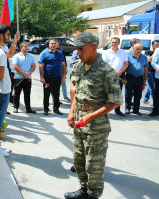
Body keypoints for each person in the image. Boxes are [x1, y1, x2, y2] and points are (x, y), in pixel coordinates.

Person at [66, 32, 122, 199]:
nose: (78, 52)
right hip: (78, 122)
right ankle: (84, 190)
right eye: (77, 49)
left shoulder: (106, 71)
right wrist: (71, 112)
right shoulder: (78, 67)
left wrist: (90, 117)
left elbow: (116, 101)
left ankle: (93, 195)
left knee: (94, 165)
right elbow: (74, 90)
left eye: (81, 49)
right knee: (79, 160)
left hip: (96, 126)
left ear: (93, 48)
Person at [0, 24, 20, 156]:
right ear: (1, 36)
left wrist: (15, 40)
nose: (9, 36)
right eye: (8, 34)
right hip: (2, 89)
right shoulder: (0, 53)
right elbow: (0, 76)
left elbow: (11, 53)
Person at [38, 38, 66, 115]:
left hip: (57, 77)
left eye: (54, 43)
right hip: (47, 77)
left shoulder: (60, 53)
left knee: (56, 94)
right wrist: (41, 77)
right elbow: (40, 65)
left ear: (57, 45)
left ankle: (56, 109)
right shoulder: (44, 53)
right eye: (51, 43)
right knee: (46, 94)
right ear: (49, 45)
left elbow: (63, 65)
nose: (53, 45)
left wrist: (63, 76)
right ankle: (46, 109)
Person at [102, 37, 128, 117]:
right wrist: (114, 71)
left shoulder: (123, 52)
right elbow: (104, 64)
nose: (114, 44)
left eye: (115, 42)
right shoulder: (106, 52)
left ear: (119, 43)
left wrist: (120, 71)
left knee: (118, 93)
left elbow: (126, 64)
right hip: (109, 75)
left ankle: (117, 110)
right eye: (112, 42)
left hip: (120, 75)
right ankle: (105, 110)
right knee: (107, 92)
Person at [12, 42, 36, 113]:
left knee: (27, 93)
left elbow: (33, 66)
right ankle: (16, 107)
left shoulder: (31, 56)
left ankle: (28, 108)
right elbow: (15, 66)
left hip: (28, 78)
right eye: (25, 46)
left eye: (27, 46)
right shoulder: (16, 56)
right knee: (17, 93)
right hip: (18, 78)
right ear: (21, 48)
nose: (27, 48)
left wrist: (28, 73)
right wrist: (23, 73)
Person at [125, 43, 148, 116]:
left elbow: (146, 68)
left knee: (138, 94)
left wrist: (145, 79)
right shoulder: (128, 57)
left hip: (140, 78)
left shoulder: (144, 57)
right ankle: (127, 108)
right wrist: (124, 79)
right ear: (133, 49)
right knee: (128, 94)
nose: (139, 50)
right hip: (130, 77)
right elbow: (125, 67)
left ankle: (136, 109)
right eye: (137, 49)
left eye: (141, 49)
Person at [150, 46, 159, 116]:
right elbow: (153, 62)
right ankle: (156, 110)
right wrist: (158, 69)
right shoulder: (158, 50)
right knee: (157, 93)